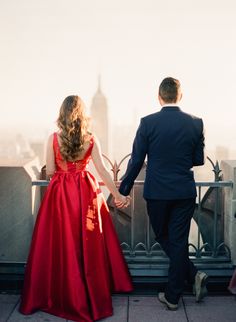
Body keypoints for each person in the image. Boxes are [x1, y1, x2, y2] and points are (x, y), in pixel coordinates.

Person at [19, 95, 133, 321]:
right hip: (86, 191)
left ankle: (68, 293)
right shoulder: (91, 139)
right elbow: (102, 170)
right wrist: (118, 194)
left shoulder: (53, 139)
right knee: (87, 241)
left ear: (62, 113)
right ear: (83, 115)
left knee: (62, 243)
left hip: (60, 194)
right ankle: (91, 293)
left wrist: (63, 169)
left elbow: (50, 171)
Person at [118, 77, 208, 310]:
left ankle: (174, 295)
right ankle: (189, 279)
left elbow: (137, 160)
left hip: (157, 192)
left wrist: (124, 189)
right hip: (184, 192)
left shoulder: (148, 123)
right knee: (178, 241)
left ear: (159, 97)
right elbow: (198, 160)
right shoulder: (196, 123)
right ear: (180, 96)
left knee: (163, 236)